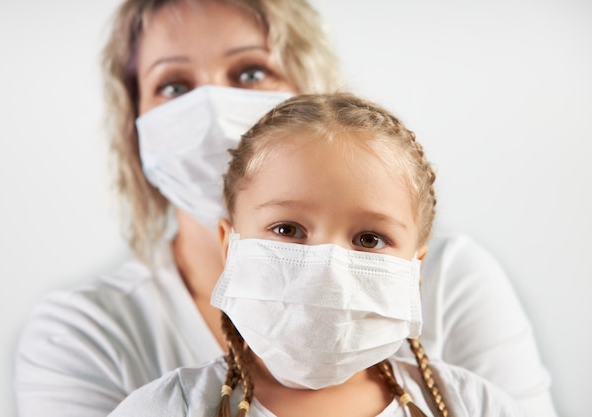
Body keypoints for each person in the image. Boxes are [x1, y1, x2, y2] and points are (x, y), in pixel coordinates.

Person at [14, 1, 556, 416]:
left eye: (250, 72)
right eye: (173, 84)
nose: (211, 110)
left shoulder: (461, 353)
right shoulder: (100, 343)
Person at [107, 92, 524, 417]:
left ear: (416, 267)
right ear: (229, 246)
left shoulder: (473, 405)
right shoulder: (168, 408)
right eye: (287, 230)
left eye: (369, 239)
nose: (329, 269)